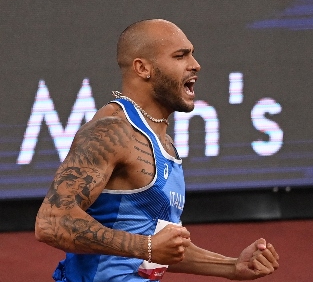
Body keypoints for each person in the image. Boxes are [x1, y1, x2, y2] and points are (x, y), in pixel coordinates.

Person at [35, 19, 279, 281]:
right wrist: (148, 247)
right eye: (180, 56)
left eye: (192, 54)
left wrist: (231, 267)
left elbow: (157, 245)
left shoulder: (164, 142)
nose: (195, 64)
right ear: (143, 68)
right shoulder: (112, 131)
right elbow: (51, 222)